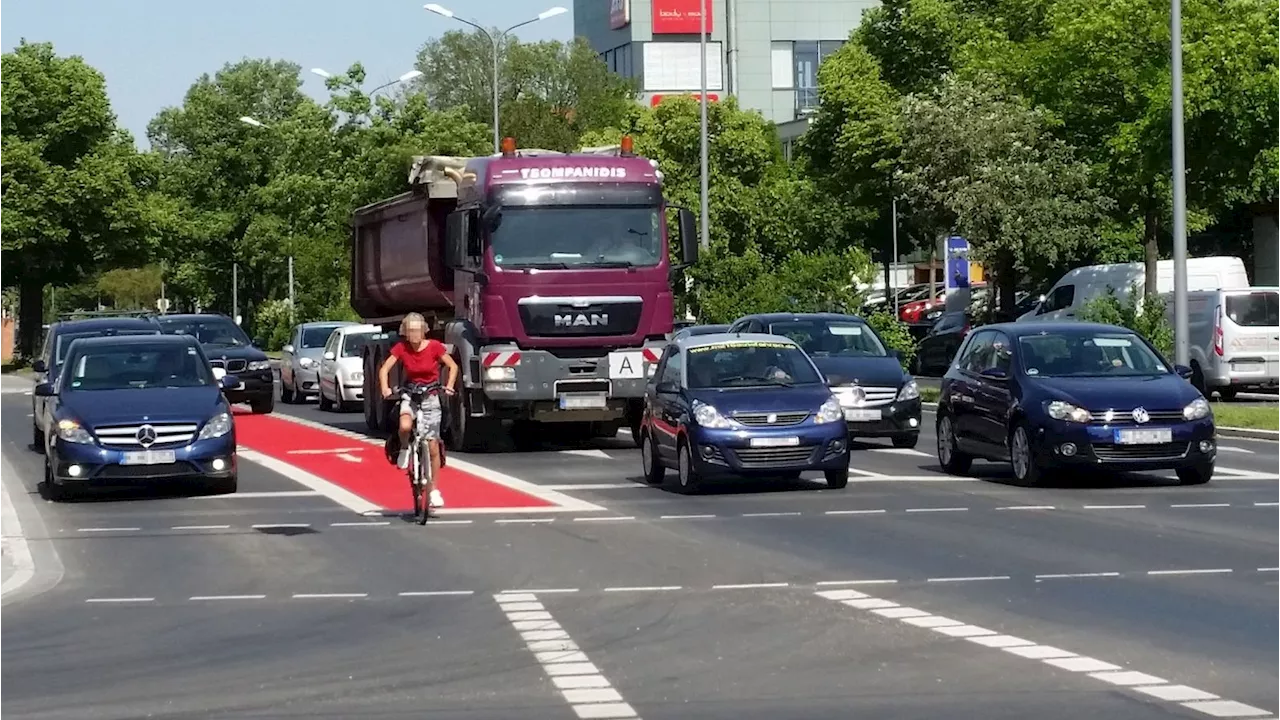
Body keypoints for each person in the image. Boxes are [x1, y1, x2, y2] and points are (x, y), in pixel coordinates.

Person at [378, 313, 459, 511]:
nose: (414, 335)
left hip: (430, 396)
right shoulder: (401, 348)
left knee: (432, 446)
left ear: (424, 331)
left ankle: (433, 491)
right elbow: (384, 369)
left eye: (417, 330)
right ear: (405, 333)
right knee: (405, 426)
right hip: (410, 395)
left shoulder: (434, 347)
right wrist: (385, 388)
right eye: (410, 331)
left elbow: (452, 366)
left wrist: (448, 386)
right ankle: (405, 449)